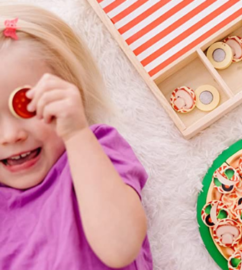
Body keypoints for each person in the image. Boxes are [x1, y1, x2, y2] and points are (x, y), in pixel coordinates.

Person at [0, 4, 152, 270]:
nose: (11, 135)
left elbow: (121, 247)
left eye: (28, 107)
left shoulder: (94, 151)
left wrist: (76, 133)